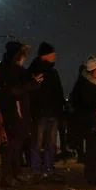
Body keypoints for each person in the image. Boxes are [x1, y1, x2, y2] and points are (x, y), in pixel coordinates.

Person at [0, 41, 42, 187]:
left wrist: (33, 82)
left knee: (18, 144)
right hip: (13, 112)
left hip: (20, 111)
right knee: (11, 145)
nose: (24, 59)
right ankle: (7, 176)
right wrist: (31, 85)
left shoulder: (17, 69)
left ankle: (16, 173)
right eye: (22, 56)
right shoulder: (8, 70)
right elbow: (12, 90)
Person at [69, 57, 96, 185]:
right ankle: (91, 175)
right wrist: (93, 109)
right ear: (90, 71)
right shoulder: (83, 84)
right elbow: (78, 103)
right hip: (88, 122)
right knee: (92, 149)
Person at [28, 42, 65, 178]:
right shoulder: (35, 71)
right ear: (45, 55)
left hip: (52, 113)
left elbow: (58, 92)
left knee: (50, 142)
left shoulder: (52, 72)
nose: (55, 56)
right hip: (40, 113)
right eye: (52, 54)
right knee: (38, 142)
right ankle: (37, 168)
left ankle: (48, 167)